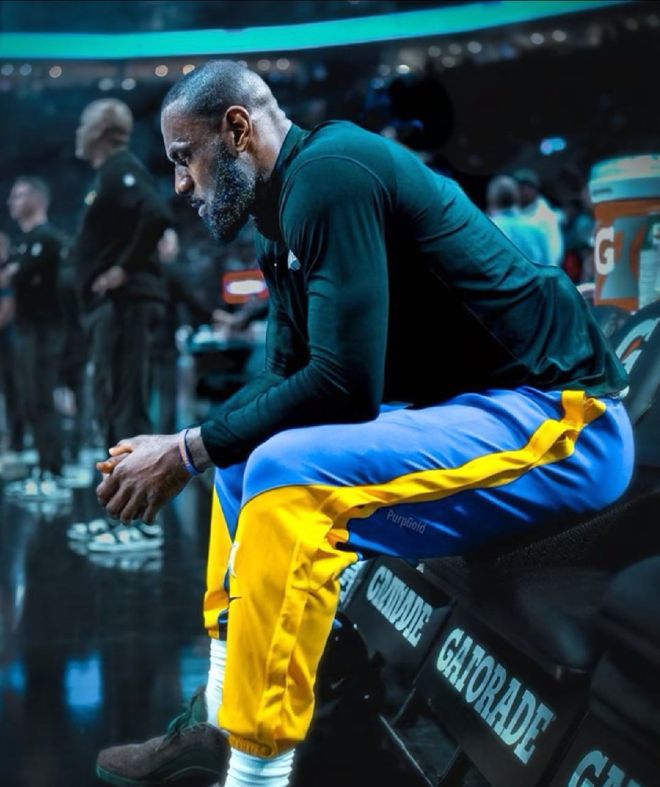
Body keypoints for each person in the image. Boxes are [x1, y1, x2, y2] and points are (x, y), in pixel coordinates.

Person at [94, 61, 633, 787]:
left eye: (183, 157)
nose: (181, 184)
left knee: (283, 475)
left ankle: (256, 773)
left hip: (565, 418)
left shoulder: (330, 175)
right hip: (472, 409)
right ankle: (217, 725)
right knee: (243, 460)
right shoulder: (280, 213)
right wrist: (190, 448)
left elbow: (343, 386)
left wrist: (185, 450)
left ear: (237, 129)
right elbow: (284, 377)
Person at [71, 98, 170, 549]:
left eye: (84, 122)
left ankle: (142, 524)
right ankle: (120, 517)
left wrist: (122, 270)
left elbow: (156, 213)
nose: (78, 130)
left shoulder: (121, 169)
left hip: (126, 306)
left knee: (127, 409)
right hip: (115, 310)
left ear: (103, 129)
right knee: (114, 408)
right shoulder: (108, 174)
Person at [6, 177, 67, 483]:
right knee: (30, 400)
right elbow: (14, 274)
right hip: (27, 330)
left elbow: (14, 276)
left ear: (37, 199)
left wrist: (16, 273)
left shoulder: (49, 239)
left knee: (42, 400)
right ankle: (45, 467)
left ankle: (52, 471)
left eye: (18, 196)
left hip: (46, 331)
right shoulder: (22, 242)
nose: (11, 202)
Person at [486, 175, 552, 264]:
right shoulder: (536, 229)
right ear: (517, 197)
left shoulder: (486, 230)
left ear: (491, 198)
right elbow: (547, 266)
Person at [0, 231, 25, 459]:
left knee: (13, 392)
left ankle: (16, 441)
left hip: (9, 343)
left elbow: (9, 305)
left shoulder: (10, 271)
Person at [513, 168, 564, 267]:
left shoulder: (547, 216)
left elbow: (554, 252)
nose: (520, 192)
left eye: (523, 188)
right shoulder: (513, 214)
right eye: (517, 188)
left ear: (534, 190)